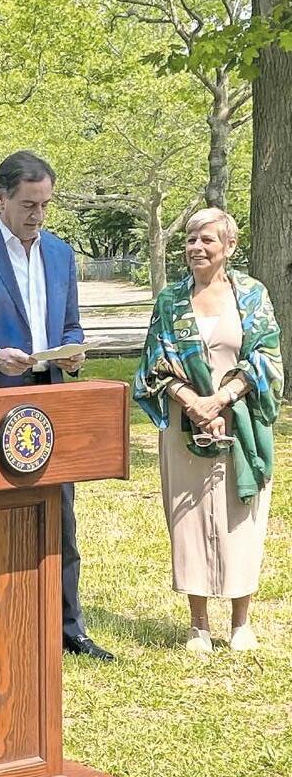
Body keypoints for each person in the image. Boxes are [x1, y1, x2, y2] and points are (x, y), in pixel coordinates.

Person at [0, 150, 114, 662]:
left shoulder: (60, 254)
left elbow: (71, 324)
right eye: (28, 205)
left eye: (45, 205)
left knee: (60, 515)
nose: (38, 215)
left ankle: (68, 626)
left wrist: (73, 349)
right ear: (0, 199)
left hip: (50, 397)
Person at [133, 208, 282, 653]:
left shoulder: (252, 295)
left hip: (241, 423)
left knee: (241, 520)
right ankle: (197, 624)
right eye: (191, 240)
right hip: (186, 427)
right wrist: (194, 403)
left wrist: (221, 399)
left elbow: (267, 358)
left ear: (229, 246)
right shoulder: (170, 301)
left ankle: (241, 622)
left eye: (207, 240)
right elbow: (152, 366)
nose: (196, 247)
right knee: (188, 521)